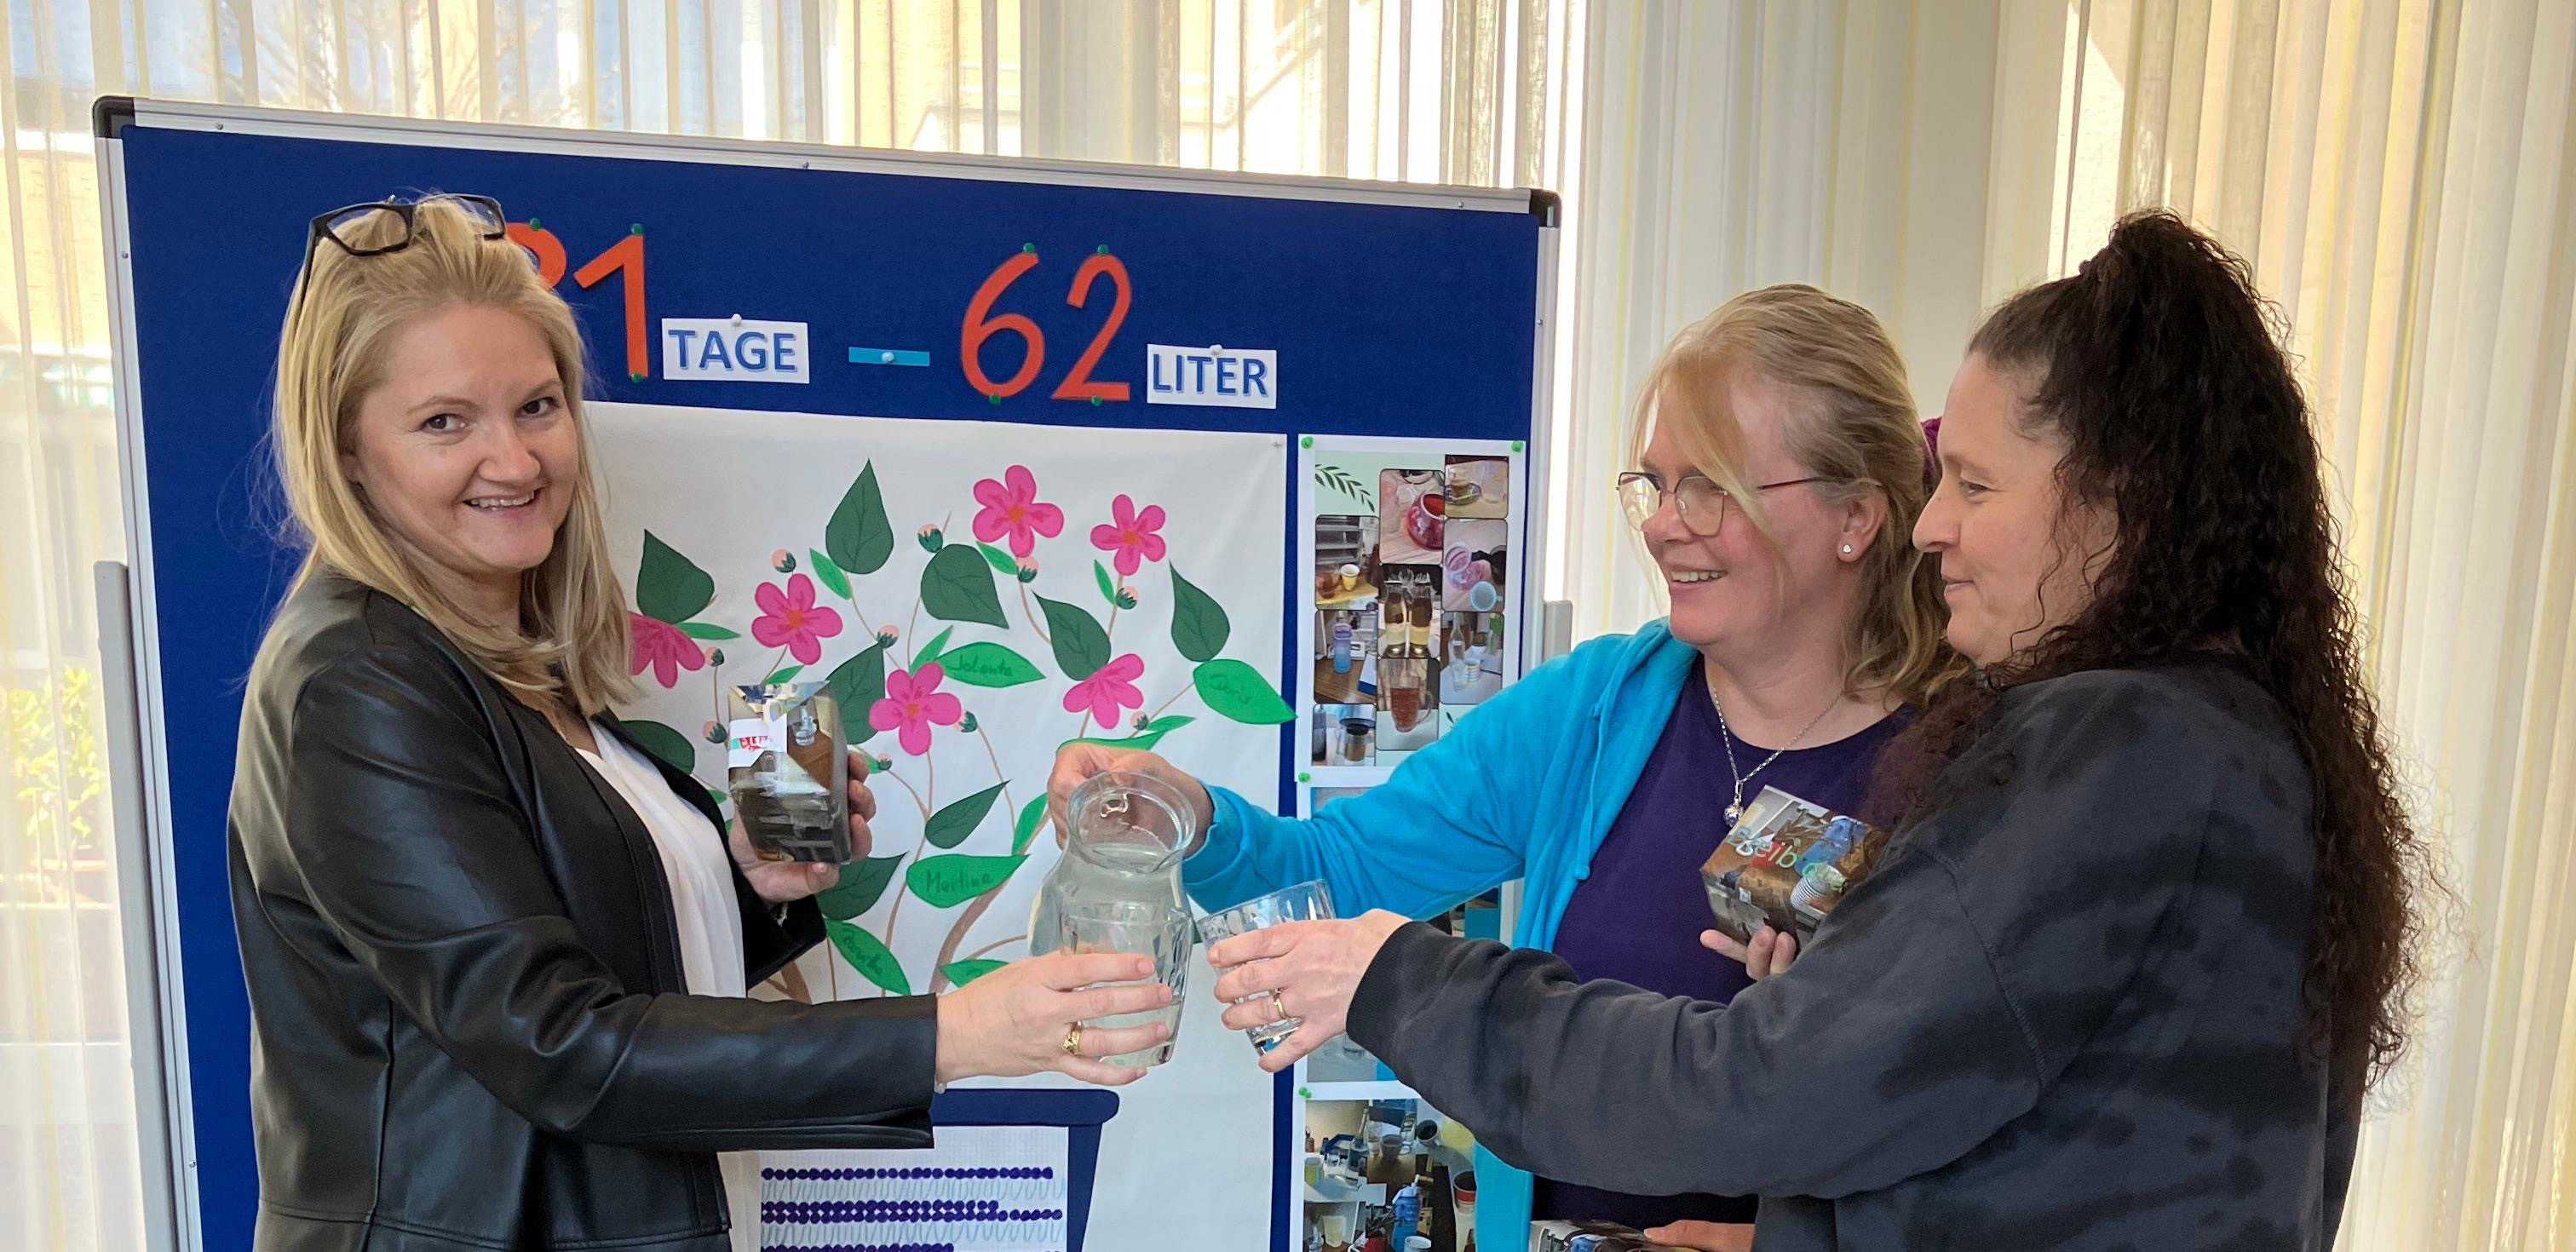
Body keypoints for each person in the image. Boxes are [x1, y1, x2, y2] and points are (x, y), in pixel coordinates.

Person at [1210, 211, 2436, 1250]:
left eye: (1977, 484)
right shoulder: (2224, 737)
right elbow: (2044, 1156)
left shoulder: (2091, 749)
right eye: (1657, 484)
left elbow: (1766, 1091)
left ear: (2122, 501)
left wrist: (1404, 976)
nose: (1934, 523)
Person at [227, 193, 1173, 1252]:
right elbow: (560, 1045)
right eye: (446, 422)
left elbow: (553, 945)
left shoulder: (497, 658)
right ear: (349, 450)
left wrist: (746, 885)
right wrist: (962, 1032)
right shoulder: (362, 680)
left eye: (538, 406)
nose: (515, 460)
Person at [1051, 284, 1962, 1246]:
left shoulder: (1975, 766)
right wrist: (1189, 814)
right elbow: (1341, 871)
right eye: (1656, 484)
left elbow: (1999, 1134)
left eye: (1714, 486)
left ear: (1857, 514)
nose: (1662, 524)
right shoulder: (1593, 709)